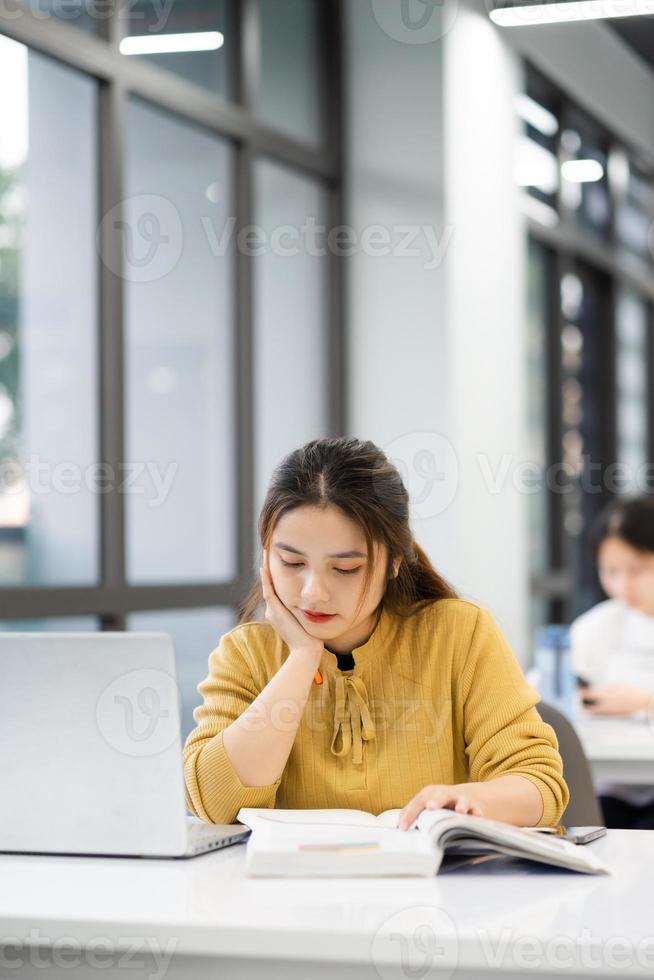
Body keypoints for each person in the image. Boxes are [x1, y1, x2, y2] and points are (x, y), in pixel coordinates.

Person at [184, 437, 568, 829]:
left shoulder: (459, 634)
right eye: (291, 561)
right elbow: (216, 806)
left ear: (395, 561)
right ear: (266, 556)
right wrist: (301, 658)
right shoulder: (245, 653)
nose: (312, 592)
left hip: (439, 886)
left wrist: (471, 800)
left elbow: (540, 788)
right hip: (290, 887)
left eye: (345, 568)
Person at [570, 495, 654, 830]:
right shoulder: (596, 626)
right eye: (611, 571)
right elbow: (544, 694)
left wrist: (644, 702)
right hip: (609, 789)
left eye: (637, 570)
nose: (623, 585)